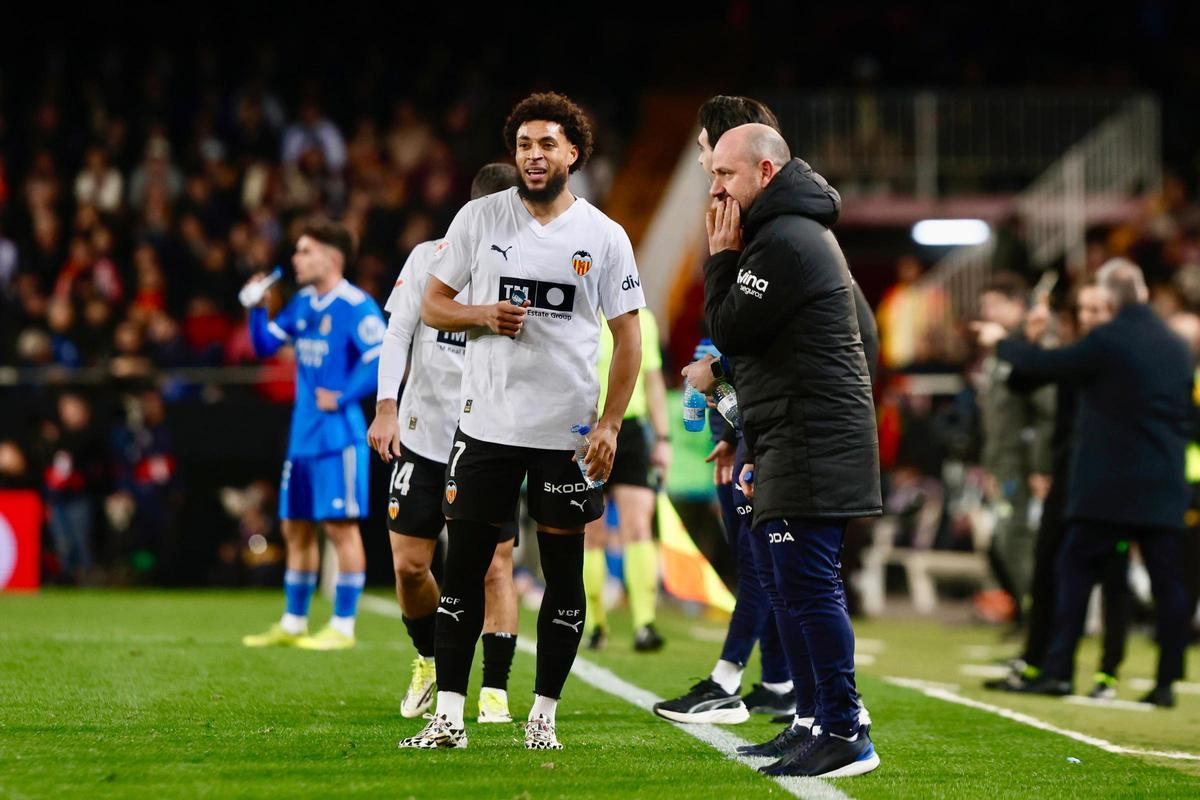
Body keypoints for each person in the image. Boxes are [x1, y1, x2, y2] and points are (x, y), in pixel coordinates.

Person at [398, 92, 644, 751]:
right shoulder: (479, 218)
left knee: (563, 576)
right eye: (524, 145)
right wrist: (482, 315)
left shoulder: (603, 237)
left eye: (546, 145)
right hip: (483, 432)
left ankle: (544, 717)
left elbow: (630, 338)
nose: (534, 156)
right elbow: (432, 306)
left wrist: (612, 425)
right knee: (464, 574)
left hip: (564, 439)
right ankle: (449, 716)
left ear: (573, 153)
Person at [703, 123, 882, 778]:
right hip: (792, 432)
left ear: (765, 173)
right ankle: (815, 721)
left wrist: (719, 257)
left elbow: (728, 329)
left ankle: (843, 728)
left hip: (812, 437)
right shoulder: (790, 236)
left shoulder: (783, 241)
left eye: (725, 174)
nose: (715, 187)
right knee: (788, 583)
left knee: (807, 586)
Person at [974, 259, 1193, 707]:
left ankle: (1059, 669)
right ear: (1145, 293)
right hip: (1164, 482)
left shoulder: (1106, 341)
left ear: (1111, 299)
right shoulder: (1176, 344)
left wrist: (1004, 343)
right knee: (1169, 583)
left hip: (1107, 488)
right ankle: (1167, 681)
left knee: (1072, 572)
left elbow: (1045, 364)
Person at [367, 164, 522, 726]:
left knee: (494, 567)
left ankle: (495, 690)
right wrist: (387, 406)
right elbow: (398, 332)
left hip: (489, 442)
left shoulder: (525, 270)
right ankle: (430, 660)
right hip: (423, 436)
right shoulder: (428, 257)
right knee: (410, 565)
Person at [240, 219, 385, 651]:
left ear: (331, 256)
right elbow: (266, 347)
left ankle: (342, 626)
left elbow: (379, 359)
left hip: (338, 438)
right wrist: (256, 308)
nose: (296, 258)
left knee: (340, 529)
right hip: (302, 437)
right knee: (295, 529)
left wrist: (342, 395)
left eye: (305, 251)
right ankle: (293, 621)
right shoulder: (303, 302)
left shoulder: (356, 305)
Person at [984, 278, 1132, 699]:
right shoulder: (1079, 354)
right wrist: (1030, 341)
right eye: (1084, 310)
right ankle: (1043, 664)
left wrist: (1009, 342)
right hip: (1070, 476)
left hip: (1110, 481)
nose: (1089, 318)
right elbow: (1024, 382)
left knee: (1110, 577)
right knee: (1051, 568)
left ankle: (1107, 674)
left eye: (1098, 310)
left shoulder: (1113, 356)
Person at [582, 307, 671, 653]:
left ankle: (644, 623)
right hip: (587, 429)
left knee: (638, 525)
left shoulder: (641, 318)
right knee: (592, 530)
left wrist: (663, 438)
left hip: (629, 429)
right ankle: (593, 624)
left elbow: (652, 380)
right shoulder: (581, 312)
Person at [975, 272, 1055, 626]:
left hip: (1026, 468)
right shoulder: (1003, 350)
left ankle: (1040, 624)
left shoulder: (1032, 347)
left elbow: (1046, 411)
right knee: (1006, 544)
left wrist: (1041, 466)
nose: (988, 313)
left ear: (1018, 306)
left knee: (1020, 545)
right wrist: (991, 467)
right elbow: (997, 420)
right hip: (1005, 466)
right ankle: (1030, 621)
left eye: (995, 305)